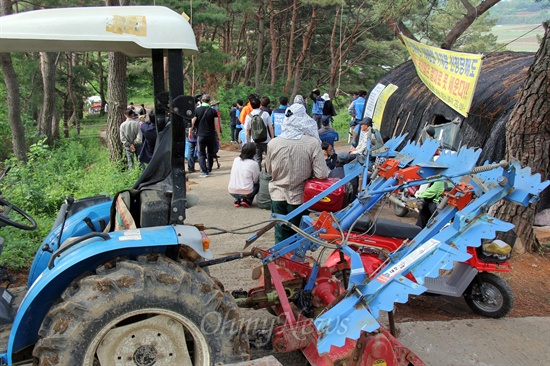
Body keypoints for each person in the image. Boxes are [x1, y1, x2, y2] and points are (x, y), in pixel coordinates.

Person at [266, 103, 330, 243]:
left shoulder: (273, 143)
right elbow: (322, 174)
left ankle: (280, 261)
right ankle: (296, 263)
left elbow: (269, 170)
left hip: (277, 195)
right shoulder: (312, 143)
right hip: (300, 198)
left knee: (280, 233)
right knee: (298, 236)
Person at [189, 94, 220, 177]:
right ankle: (209, 168)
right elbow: (216, 125)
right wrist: (218, 135)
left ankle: (204, 171)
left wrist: (190, 132)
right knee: (210, 152)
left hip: (201, 135)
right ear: (209, 101)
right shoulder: (213, 111)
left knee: (201, 153)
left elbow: (192, 122)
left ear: (201, 101)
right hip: (211, 135)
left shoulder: (197, 110)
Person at [228, 143, 260, 208]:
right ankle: (247, 200)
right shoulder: (254, 164)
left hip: (232, 191)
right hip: (246, 192)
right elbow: (256, 180)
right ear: (253, 153)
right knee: (257, 185)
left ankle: (237, 200)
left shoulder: (236, 160)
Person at [245, 97, 274, 168]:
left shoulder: (249, 116)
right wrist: (272, 138)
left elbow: (247, 130)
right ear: (260, 104)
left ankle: (258, 176)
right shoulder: (265, 114)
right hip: (266, 139)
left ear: (251, 105)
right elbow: (270, 127)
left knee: (257, 159)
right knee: (269, 157)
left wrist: (247, 141)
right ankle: (268, 174)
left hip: (254, 140)